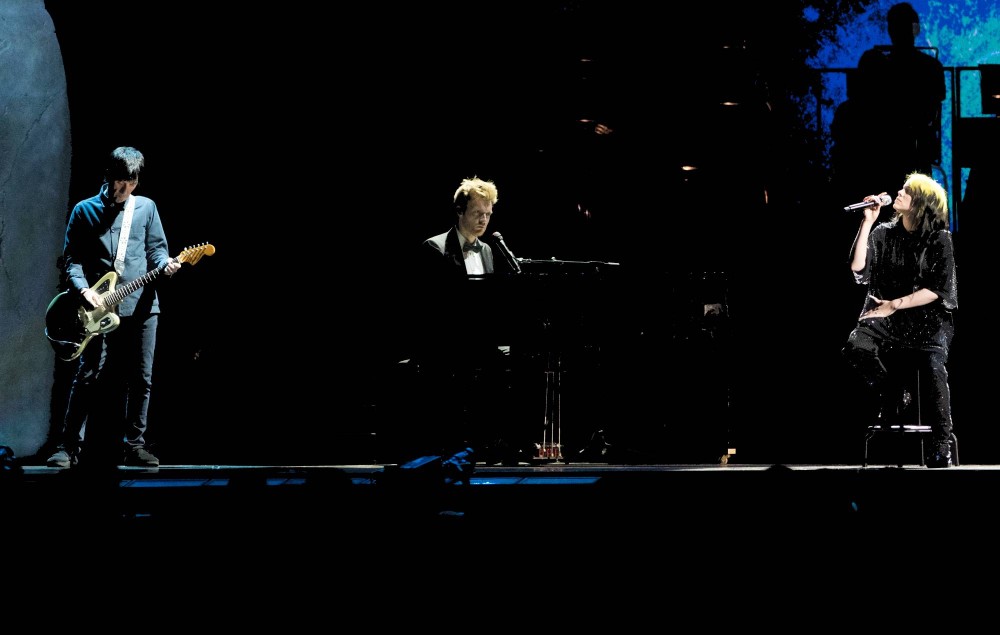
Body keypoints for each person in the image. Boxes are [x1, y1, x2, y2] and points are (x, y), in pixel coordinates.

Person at [45, 146, 180, 469]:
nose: (123, 190)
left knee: (141, 378)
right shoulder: (84, 210)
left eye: (130, 184)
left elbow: (157, 251)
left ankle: (134, 445)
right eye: (119, 182)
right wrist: (83, 290)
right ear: (108, 176)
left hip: (142, 304)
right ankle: (67, 447)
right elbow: (71, 261)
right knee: (88, 376)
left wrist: (168, 264)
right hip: (98, 308)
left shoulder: (146, 208)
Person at [841, 172, 957, 468]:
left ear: (920, 204)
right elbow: (858, 269)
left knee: (933, 367)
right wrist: (867, 221)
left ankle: (941, 442)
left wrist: (897, 303)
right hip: (887, 320)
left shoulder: (939, 239)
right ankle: (894, 393)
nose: (898, 193)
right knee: (857, 345)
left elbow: (939, 290)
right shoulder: (883, 233)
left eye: (906, 191)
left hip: (928, 322)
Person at [831, 2, 945, 203]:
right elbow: (931, 113)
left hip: (883, 152)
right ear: (915, 29)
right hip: (916, 149)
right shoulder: (931, 67)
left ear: (891, 29)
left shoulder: (881, 68)